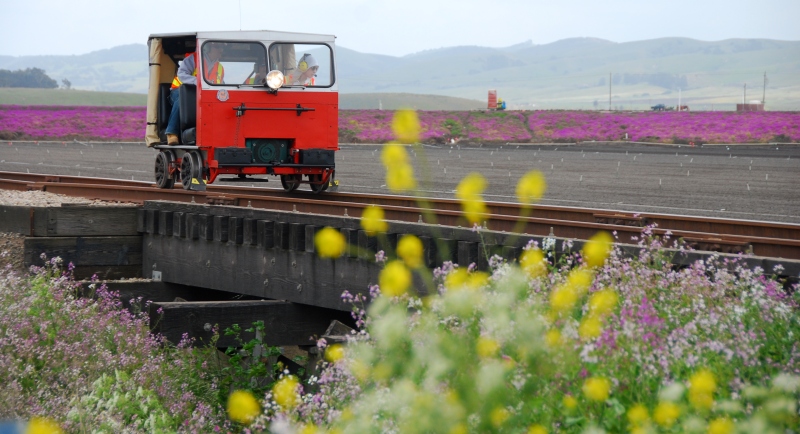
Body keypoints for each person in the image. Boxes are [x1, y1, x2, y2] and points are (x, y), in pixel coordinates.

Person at [165, 43, 225, 145]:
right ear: (208, 48)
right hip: (179, 91)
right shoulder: (194, 58)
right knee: (182, 99)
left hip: (202, 95)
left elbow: (221, 83)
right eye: (218, 47)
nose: (221, 50)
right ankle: (171, 133)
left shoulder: (220, 67)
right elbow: (182, 74)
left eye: (222, 47)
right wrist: (198, 82)